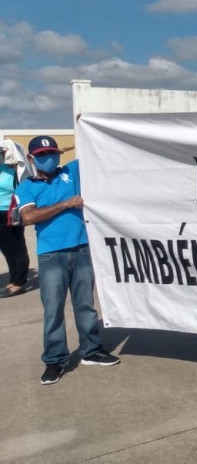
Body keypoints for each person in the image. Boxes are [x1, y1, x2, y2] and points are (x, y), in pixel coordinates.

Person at [15, 135, 120, 385]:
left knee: (86, 306)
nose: (48, 158)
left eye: (52, 153)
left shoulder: (71, 172)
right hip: (51, 255)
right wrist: (65, 204)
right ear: (31, 159)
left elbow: (96, 149)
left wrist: (86, 128)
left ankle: (91, 351)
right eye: (42, 155)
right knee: (53, 310)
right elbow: (29, 217)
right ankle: (54, 359)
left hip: (82, 249)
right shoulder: (27, 186)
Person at [0, 138, 31, 298]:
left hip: (10, 211)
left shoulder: (15, 169)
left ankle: (19, 282)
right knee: (5, 248)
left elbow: (25, 182)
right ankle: (13, 279)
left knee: (16, 247)